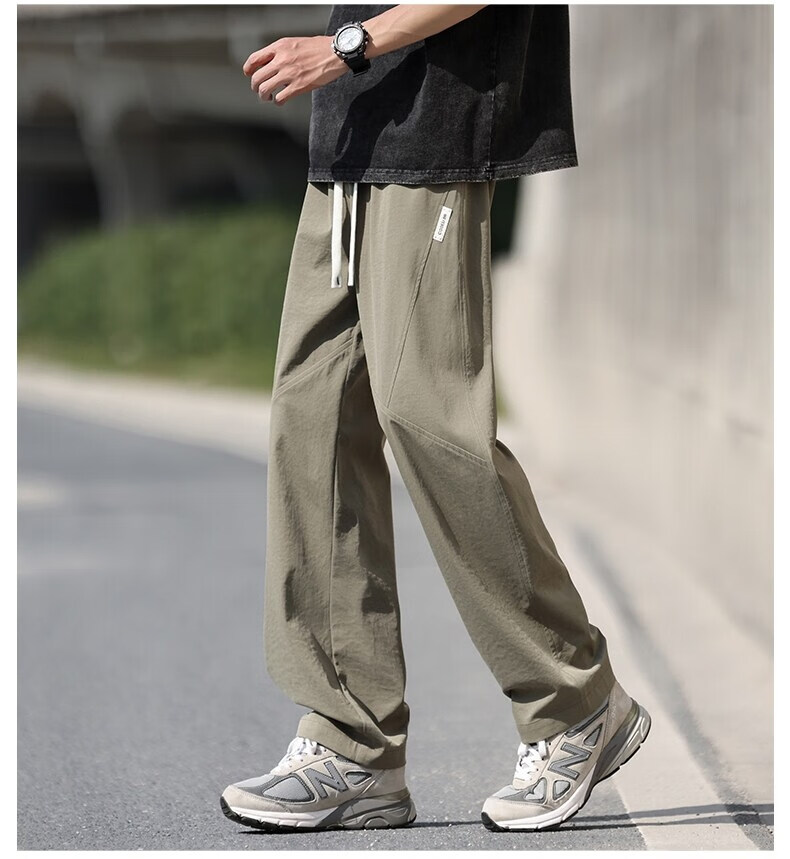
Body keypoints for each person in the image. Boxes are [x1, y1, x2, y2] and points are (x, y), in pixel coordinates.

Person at [220, 3, 651, 833]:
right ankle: (353, 744)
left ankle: (575, 701)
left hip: (433, 126)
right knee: (311, 420)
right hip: (351, 131)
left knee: (428, 417)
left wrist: (348, 47)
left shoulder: (362, 60)